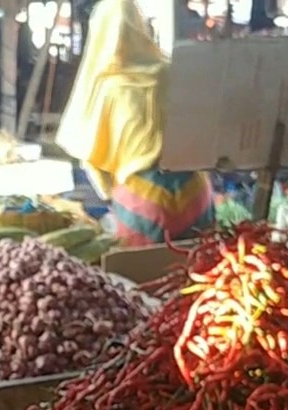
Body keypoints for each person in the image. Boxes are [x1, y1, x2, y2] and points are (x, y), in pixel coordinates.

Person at [56, 0, 215, 247]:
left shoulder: (108, 87)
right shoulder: (171, 72)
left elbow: (91, 157)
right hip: (194, 192)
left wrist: (110, 193)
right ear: (141, 27)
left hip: (142, 200)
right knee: (204, 273)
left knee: (145, 278)